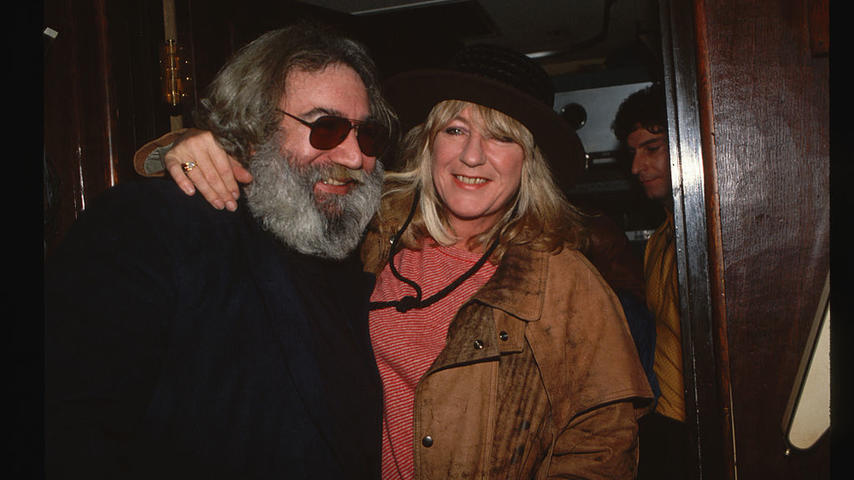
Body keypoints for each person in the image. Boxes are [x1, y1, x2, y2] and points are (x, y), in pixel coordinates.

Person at [148, 43, 655, 479]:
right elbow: (286, 183)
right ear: (429, 144)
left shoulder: (562, 278)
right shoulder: (371, 231)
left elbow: (603, 443)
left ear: (529, 161)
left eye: (501, 137)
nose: (472, 155)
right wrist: (194, 147)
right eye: (455, 130)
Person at [44, 23, 398, 479]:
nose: (353, 157)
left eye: (367, 136)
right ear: (254, 130)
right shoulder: (152, 225)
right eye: (325, 128)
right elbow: (68, 429)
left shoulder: (366, 263)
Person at [612, 83, 688, 479]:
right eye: (633, 153)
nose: (636, 167)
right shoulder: (659, 241)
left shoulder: (711, 241)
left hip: (706, 422)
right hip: (667, 423)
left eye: (652, 148)